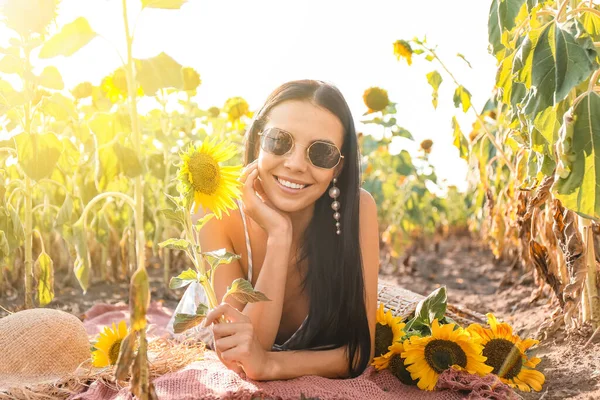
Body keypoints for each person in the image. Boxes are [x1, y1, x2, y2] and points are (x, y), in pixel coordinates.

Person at [199, 79, 379, 381]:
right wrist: (279, 237)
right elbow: (245, 351)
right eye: (279, 141)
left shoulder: (359, 209)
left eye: (321, 153)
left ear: (337, 168)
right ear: (258, 141)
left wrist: (271, 366)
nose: (295, 164)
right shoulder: (215, 212)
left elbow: (359, 351)